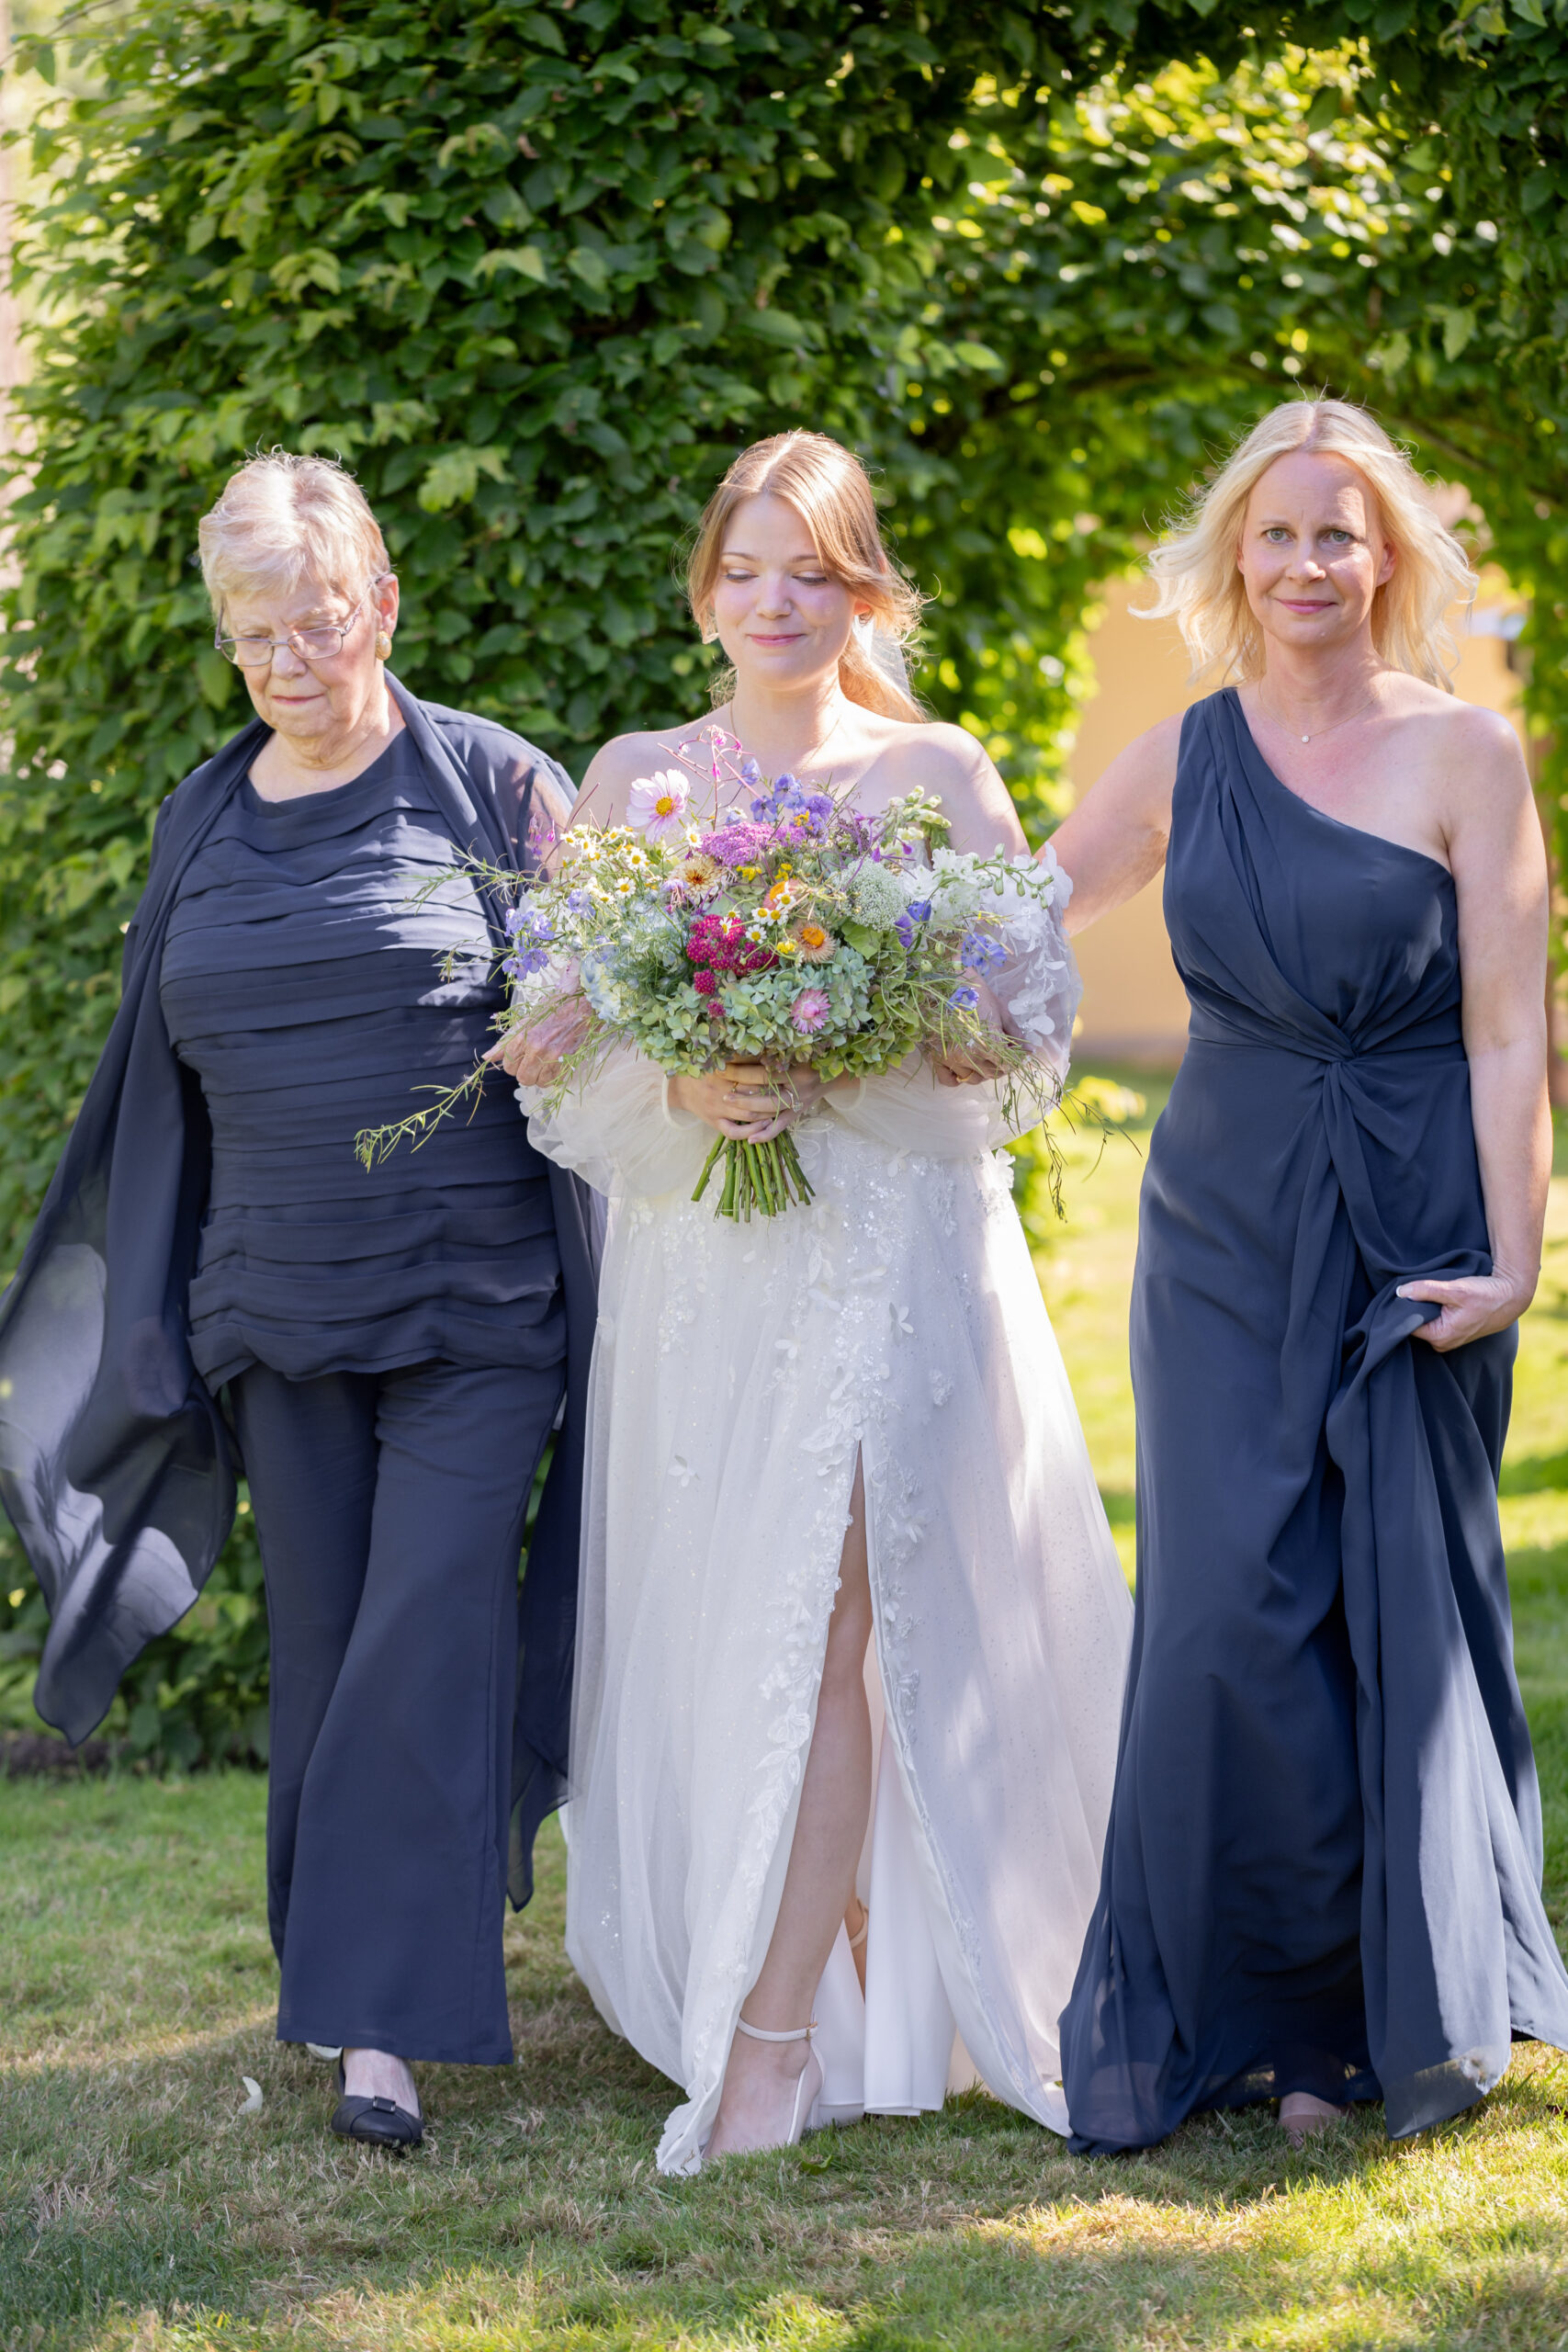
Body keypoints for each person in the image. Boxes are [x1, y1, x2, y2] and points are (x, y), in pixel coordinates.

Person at [504, 429, 1134, 2173]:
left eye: (813, 570)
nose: (775, 603)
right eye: (746, 568)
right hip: (711, 1257)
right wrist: (690, 1078)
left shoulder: (934, 771)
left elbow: (1022, 1036)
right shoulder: (636, 779)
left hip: (883, 1251)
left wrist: (848, 1035)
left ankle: (774, 2038)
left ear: (861, 587)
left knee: (843, 1613)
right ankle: (821, 1960)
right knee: (734, 1604)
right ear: (705, 584)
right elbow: (549, 1050)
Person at [0, 453, 599, 2147]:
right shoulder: (201, 813)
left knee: (428, 1626)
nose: (282, 659)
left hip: (481, 1307)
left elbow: (607, 1024)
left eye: (313, 621)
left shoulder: (492, 790)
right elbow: (151, 1082)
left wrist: (591, 1026)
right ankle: (351, 2000)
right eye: (250, 632)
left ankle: (388, 2042)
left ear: (382, 605)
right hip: (274, 1310)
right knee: (328, 1652)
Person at [1051, 397, 1568, 2151]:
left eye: (1339, 533)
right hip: (1222, 1221)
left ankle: (1378, 2017)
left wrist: (1517, 1254)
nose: (1305, 565)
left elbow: (1510, 1037)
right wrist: (791, 952)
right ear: (1232, 556)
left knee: (1397, 1609)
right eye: (1275, 534)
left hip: (1417, 1209)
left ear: (1388, 557)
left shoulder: (1467, 757)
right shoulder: (1186, 754)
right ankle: (1256, 2012)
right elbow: (1011, 917)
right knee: (1224, 1608)